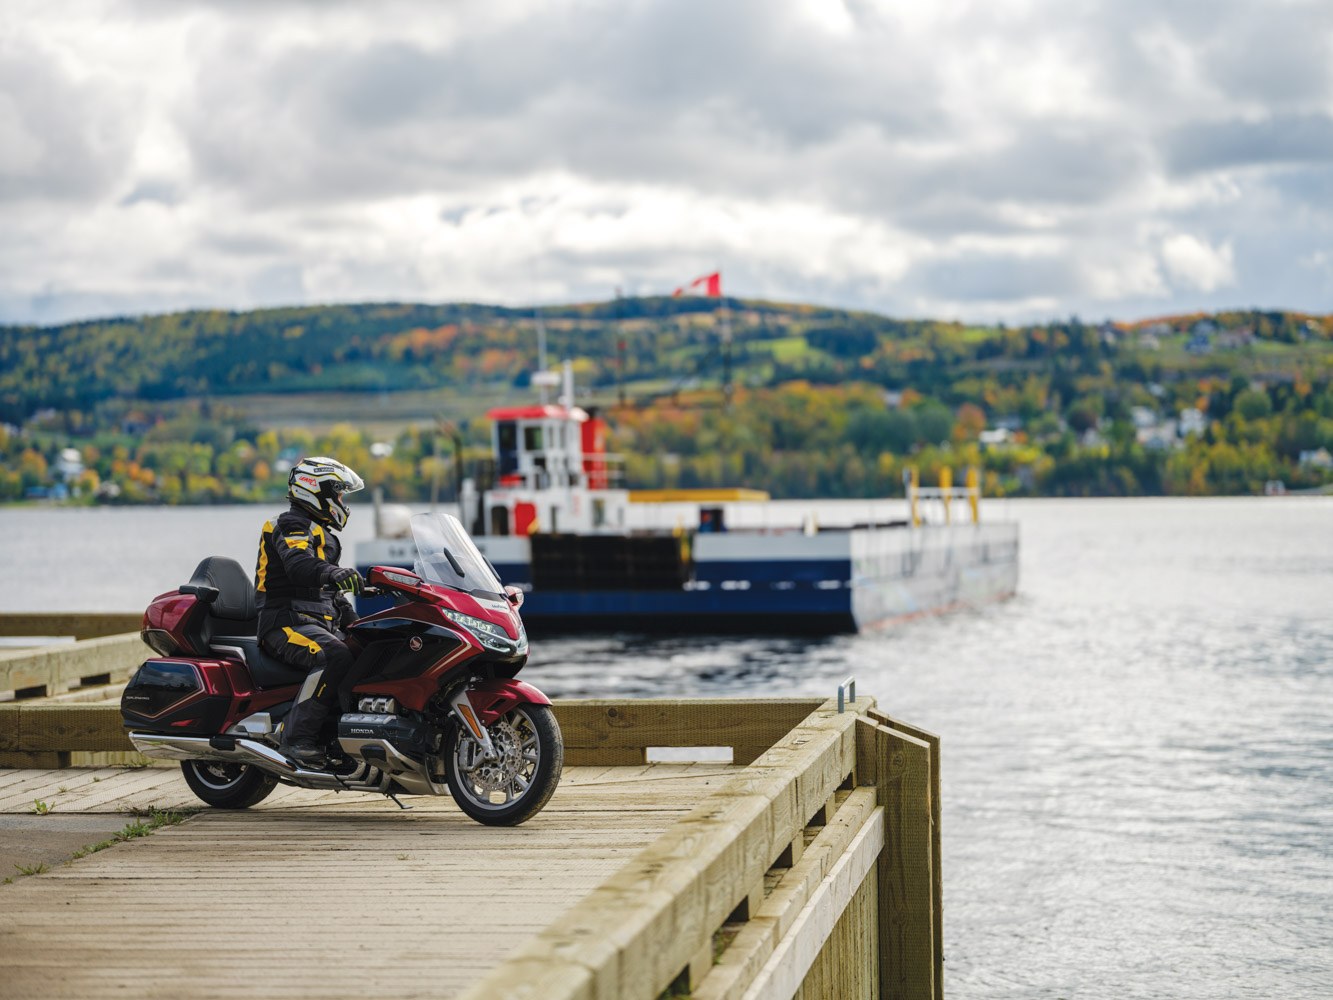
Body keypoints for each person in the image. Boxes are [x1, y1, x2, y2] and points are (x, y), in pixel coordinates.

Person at [254, 456, 365, 764]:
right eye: (338, 493)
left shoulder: (323, 533)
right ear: (316, 489)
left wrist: (360, 626)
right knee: (335, 656)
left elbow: (330, 594)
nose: (341, 501)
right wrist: (334, 573)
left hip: (316, 624)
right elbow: (299, 565)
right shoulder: (291, 525)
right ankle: (297, 738)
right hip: (285, 623)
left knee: (368, 649)